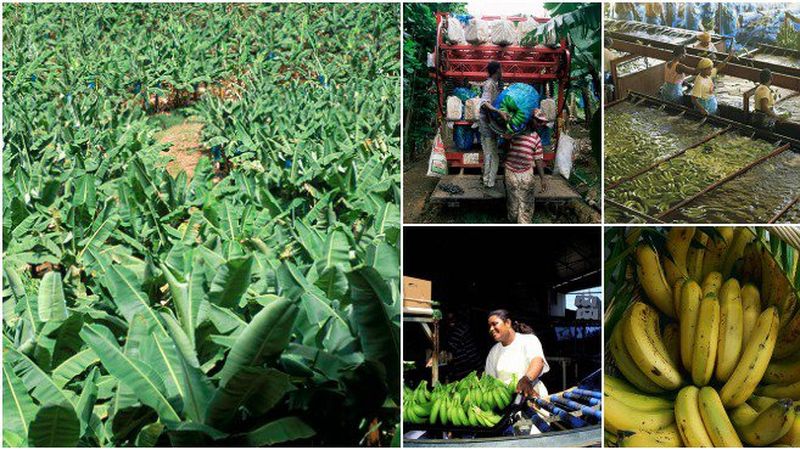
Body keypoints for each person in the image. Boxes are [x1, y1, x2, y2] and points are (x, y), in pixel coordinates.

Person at [485, 309, 550, 398]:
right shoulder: (493, 351)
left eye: (494, 324)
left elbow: (538, 361)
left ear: (507, 323)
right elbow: (490, 379)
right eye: (489, 326)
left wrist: (527, 379)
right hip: (507, 403)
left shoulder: (529, 340)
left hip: (533, 398)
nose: (491, 329)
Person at [504, 109, 547, 224]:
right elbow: (506, 151)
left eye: (542, 122)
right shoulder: (515, 134)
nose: (541, 124)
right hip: (511, 172)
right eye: (538, 121)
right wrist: (507, 140)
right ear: (531, 120)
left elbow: (538, 159)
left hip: (526, 173)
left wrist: (543, 178)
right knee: (513, 204)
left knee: (526, 204)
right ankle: (513, 220)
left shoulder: (536, 138)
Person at [478, 61, 510, 192]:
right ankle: (489, 183)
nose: (502, 72)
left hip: (488, 126)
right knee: (492, 155)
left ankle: (487, 179)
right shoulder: (489, 84)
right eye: (501, 69)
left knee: (489, 153)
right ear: (497, 70)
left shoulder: (493, 84)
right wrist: (499, 112)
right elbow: (485, 103)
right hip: (487, 127)